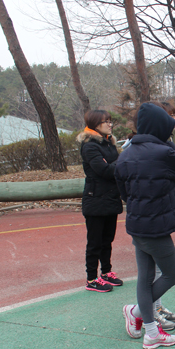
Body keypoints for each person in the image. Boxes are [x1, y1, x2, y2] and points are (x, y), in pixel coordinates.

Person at [115, 102, 175, 349]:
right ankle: (140, 315)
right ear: (159, 129)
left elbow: (124, 192)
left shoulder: (126, 154)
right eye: (166, 129)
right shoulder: (162, 151)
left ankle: (147, 326)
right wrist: (166, 142)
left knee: (145, 277)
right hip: (156, 227)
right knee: (171, 274)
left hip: (137, 224)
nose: (169, 134)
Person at [78, 109, 124, 292]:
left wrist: (116, 165)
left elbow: (113, 167)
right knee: (95, 242)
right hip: (95, 199)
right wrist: (121, 164)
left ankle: (106, 272)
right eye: (106, 121)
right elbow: (104, 170)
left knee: (107, 239)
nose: (110, 124)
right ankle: (91, 278)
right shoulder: (89, 145)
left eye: (110, 121)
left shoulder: (109, 144)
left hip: (111, 198)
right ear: (96, 124)